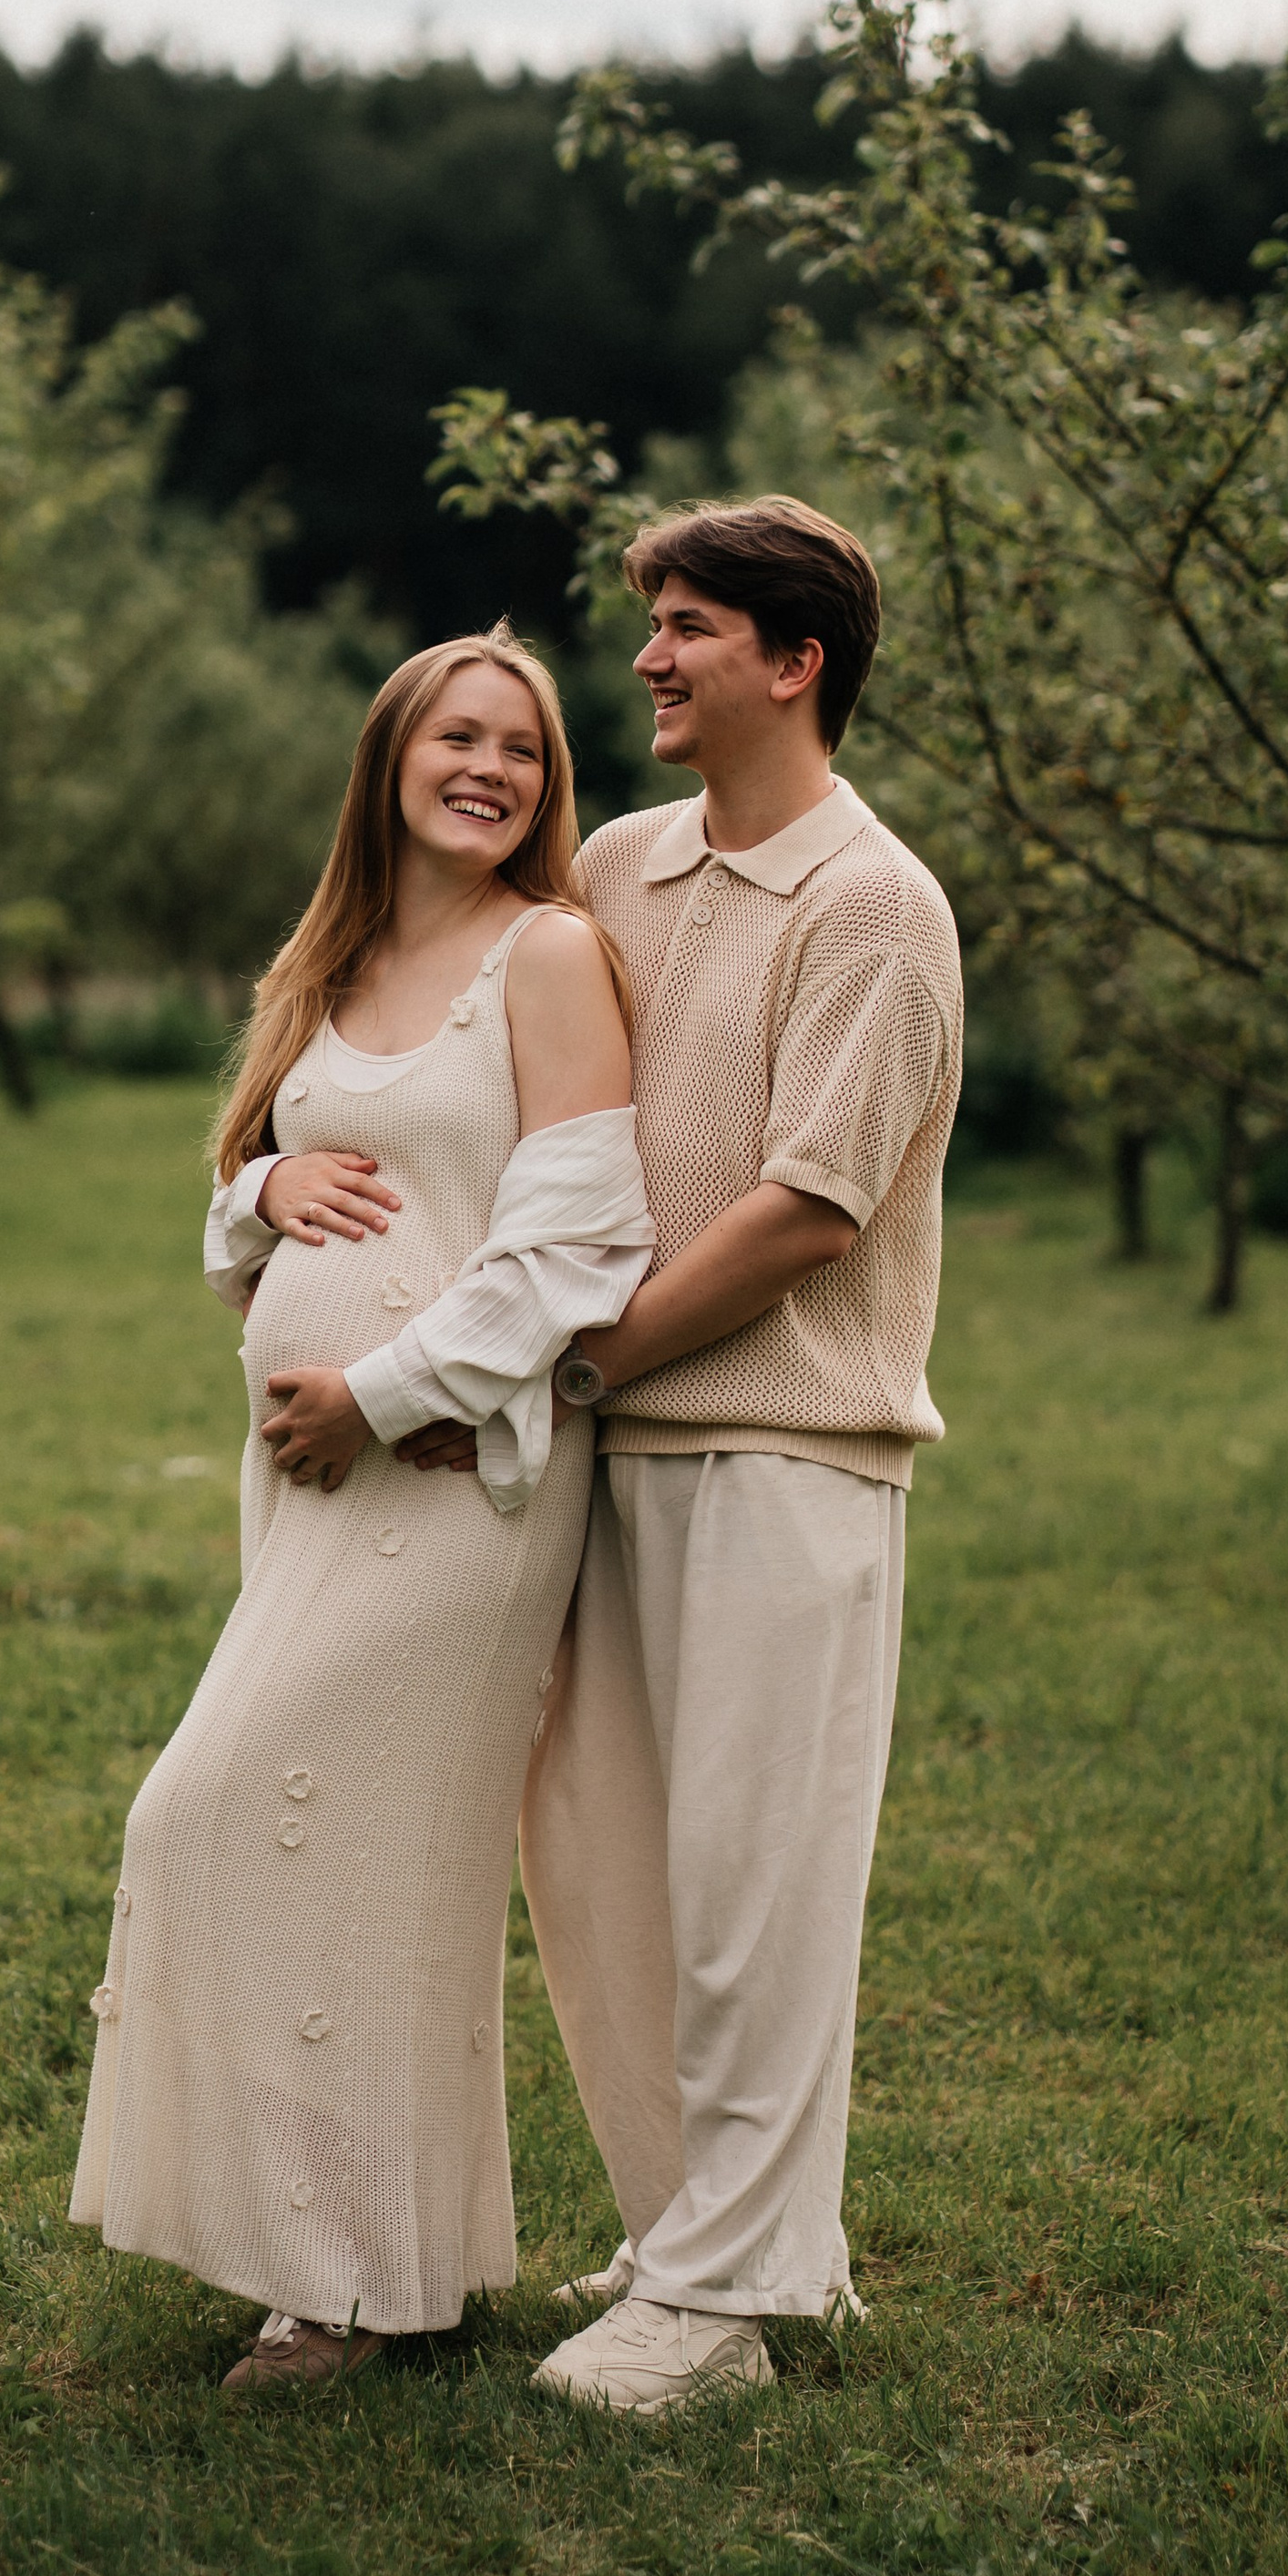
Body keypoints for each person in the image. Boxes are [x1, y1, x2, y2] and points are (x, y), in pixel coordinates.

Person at [397, 498, 962, 2418]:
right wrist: (288, 1169)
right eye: (649, 620)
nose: (639, 657)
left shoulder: (874, 906)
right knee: (604, 1865)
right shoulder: (623, 869)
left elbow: (809, 1205)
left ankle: (729, 2306)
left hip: (784, 1455)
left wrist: (590, 1356)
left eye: (685, 625)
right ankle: (692, 2237)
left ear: (789, 663)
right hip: (605, 1451)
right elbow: (465, 1065)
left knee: (752, 1882)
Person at [69, 626, 652, 2388]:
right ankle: (357, 2272)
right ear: (389, 761)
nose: (491, 772)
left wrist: (377, 1391)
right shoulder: (333, 966)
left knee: (223, 1817)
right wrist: (260, 1179)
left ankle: (343, 2285)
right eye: (459, 739)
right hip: (317, 1480)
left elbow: (578, 1242)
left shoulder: (550, 955)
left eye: (527, 752)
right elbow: (232, 1228)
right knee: (326, 1854)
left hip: (455, 1478)